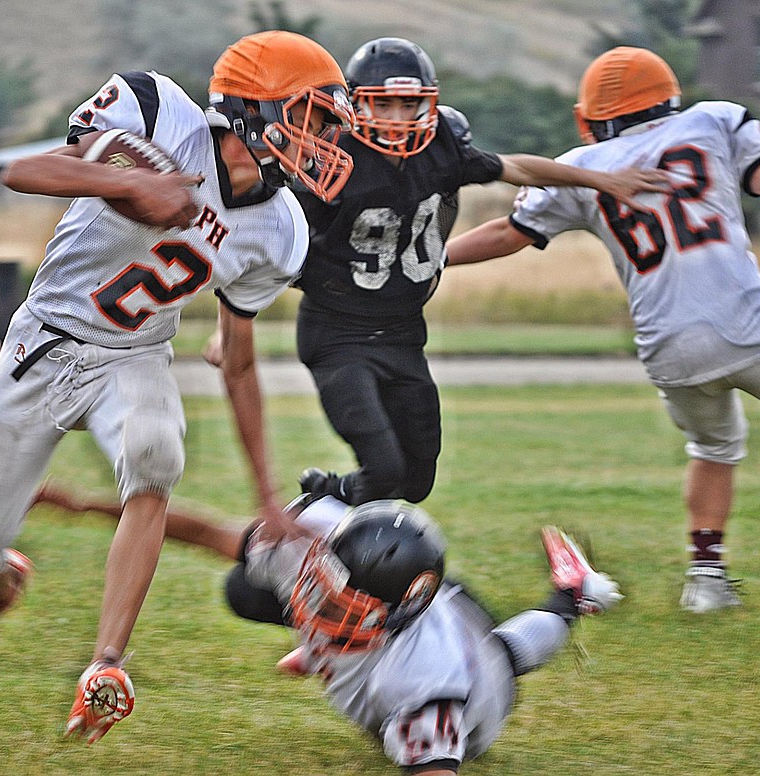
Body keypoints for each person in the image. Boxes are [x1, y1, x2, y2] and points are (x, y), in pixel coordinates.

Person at [0, 30, 357, 744]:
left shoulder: (280, 228)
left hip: (134, 353)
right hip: (46, 344)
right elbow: (26, 172)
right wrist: (126, 182)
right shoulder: (159, 115)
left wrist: (268, 496)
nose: (326, 140)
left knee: (154, 457)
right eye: (314, 118)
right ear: (253, 108)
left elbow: (239, 360)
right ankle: (0, 585)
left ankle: (106, 665)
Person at [445, 46, 760, 613]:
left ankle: (706, 579)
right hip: (748, 325)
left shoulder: (584, 166)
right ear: (668, 96)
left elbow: (507, 234)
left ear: (595, 117)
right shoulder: (714, 121)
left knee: (712, 444)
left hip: (667, 346)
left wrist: (431, 260)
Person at [285, 37, 667, 507]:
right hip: (337, 334)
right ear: (355, 104)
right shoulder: (333, 162)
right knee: (383, 467)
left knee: (416, 480)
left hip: (403, 332)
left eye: (409, 105)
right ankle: (324, 524)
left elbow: (516, 169)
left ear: (430, 104)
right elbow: (279, 245)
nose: (398, 118)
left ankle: (333, 496)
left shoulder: (442, 149)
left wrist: (601, 179)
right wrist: (236, 321)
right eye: (383, 103)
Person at [32, 481, 623, 774]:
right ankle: (573, 595)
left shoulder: (426, 692)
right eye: (324, 591)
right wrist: (89, 505)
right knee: (244, 586)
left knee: (506, 659)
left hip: (478, 691)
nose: (317, 607)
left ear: (392, 618)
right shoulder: (318, 537)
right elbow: (207, 532)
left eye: (341, 609)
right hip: (422, 621)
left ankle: (571, 596)